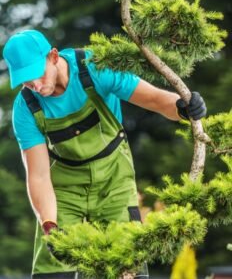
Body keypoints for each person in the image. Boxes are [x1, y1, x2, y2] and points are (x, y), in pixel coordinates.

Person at [3, 30, 207, 279]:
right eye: (25, 81)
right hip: (65, 190)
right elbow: (38, 176)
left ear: (53, 57)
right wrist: (49, 224)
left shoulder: (95, 67)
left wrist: (182, 107)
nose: (34, 85)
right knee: (53, 271)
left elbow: (153, 99)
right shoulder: (26, 107)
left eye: (37, 74)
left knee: (125, 266)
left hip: (114, 180)